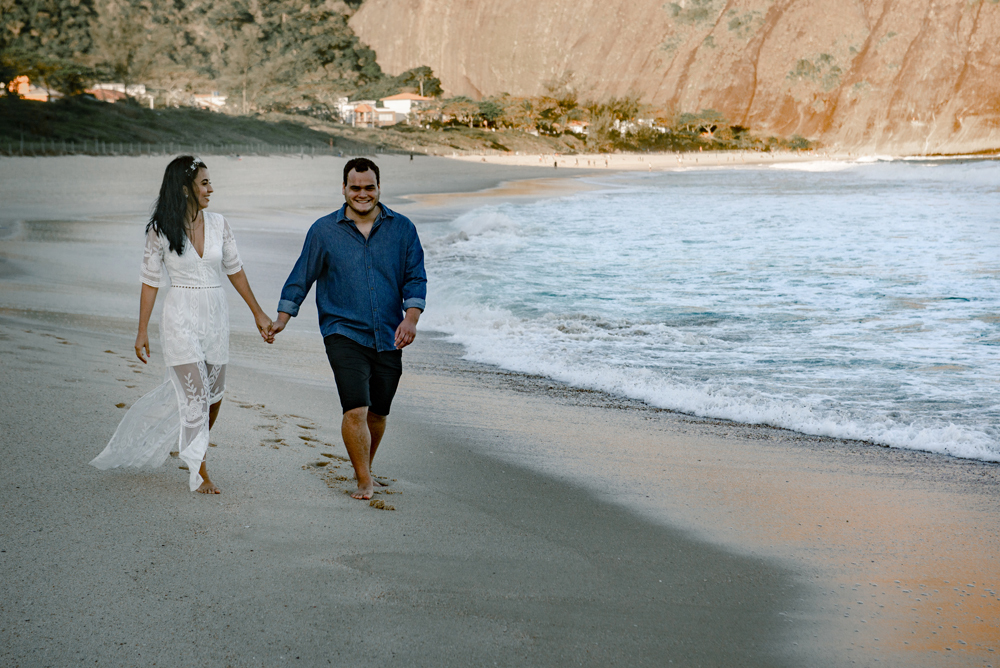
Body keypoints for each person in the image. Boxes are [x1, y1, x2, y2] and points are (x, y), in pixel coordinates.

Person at [90, 156, 273, 494]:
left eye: (209, 182)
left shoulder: (220, 223)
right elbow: (149, 281)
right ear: (185, 187)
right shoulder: (160, 229)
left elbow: (235, 270)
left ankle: (192, 443)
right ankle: (199, 471)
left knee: (214, 397)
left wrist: (258, 313)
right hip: (180, 317)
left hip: (216, 316)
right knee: (197, 396)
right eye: (204, 183)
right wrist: (142, 329)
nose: (211, 188)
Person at [268, 158, 426, 500]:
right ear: (344, 189)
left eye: (369, 187)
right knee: (355, 406)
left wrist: (410, 318)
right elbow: (302, 276)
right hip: (342, 331)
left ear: (379, 188)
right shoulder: (324, 231)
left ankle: (364, 467)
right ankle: (364, 480)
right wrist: (283, 318)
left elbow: (415, 277)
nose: (362, 194)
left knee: (379, 413)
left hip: (388, 333)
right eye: (355, 188)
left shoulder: (403, 229)